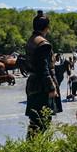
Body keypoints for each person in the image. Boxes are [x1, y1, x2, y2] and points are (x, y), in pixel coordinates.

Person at [25, 10, 62, 138]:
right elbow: (44, 69)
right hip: (42, 87)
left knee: (35, 121)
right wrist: (51, 88)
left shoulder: (32, 40)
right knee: (42, 121)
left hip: (32, 84)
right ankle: (37, 151)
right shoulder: (43, 44)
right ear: (47, 27)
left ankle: (31, 150)